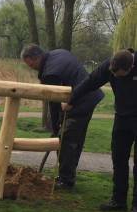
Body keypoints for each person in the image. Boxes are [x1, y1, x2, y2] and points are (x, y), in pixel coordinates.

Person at [64, 49, 137, 212]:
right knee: (119, 159)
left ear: (131, 66)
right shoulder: (109, 66)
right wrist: (71, 100)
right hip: (122, 118)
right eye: (114, 75)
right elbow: (89, 82)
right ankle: (118, 201)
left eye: (121, 75)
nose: (117, 78)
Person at [21, 44, 104, 189]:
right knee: (74, 139)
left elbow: (53, 103)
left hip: (81, 102)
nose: (31, 67)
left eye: (31, 64)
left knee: (66, 140)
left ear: (36, 58)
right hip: (89, 98)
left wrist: (55, 126)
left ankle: (66, 180)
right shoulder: (58, 53)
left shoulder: (50, 73)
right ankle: (67, 175)